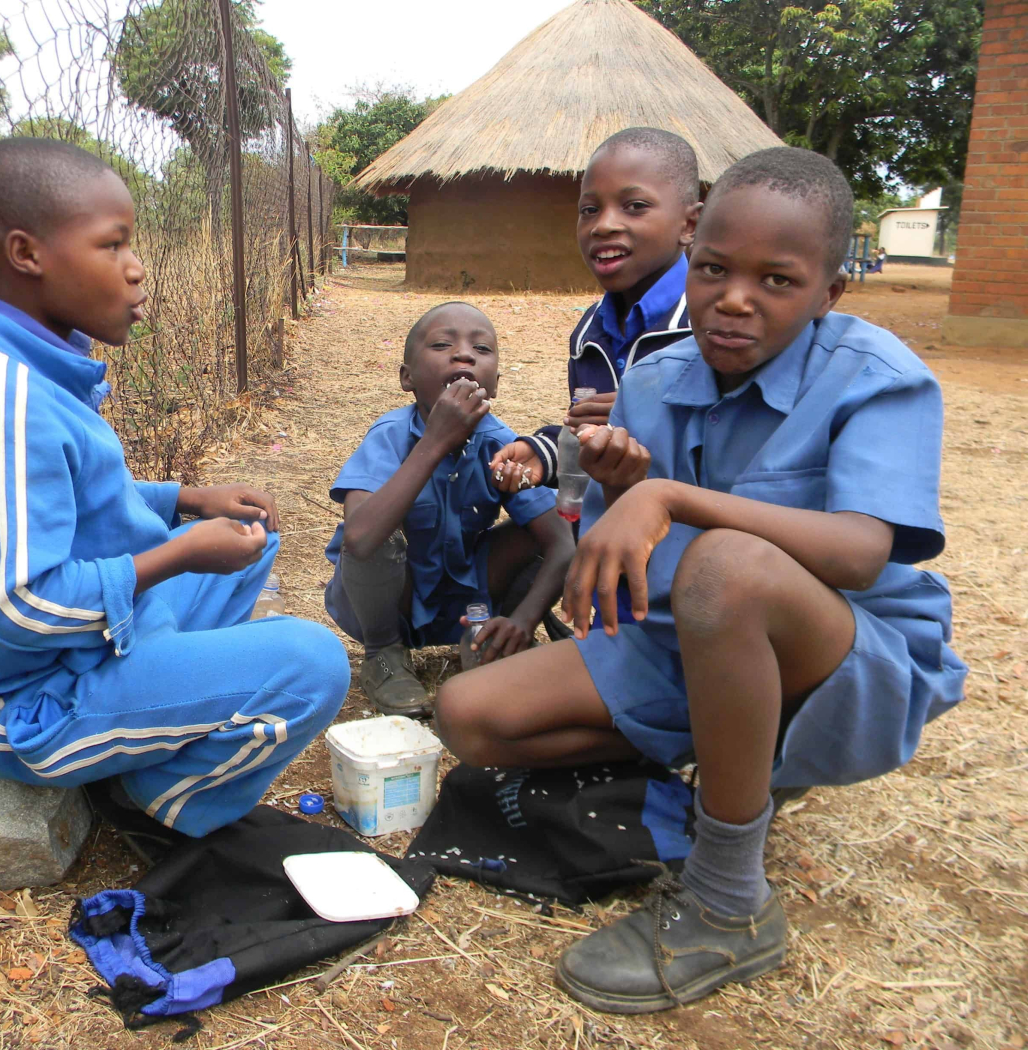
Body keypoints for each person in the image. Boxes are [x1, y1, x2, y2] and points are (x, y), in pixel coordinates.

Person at [432, 147, 966, 1012]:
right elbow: (626, 564)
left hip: (845, 660)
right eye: (714, 269)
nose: (735, 299)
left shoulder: (880, 380)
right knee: (470, 714)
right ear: (692, 254)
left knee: (725, 564)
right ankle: (729, 767)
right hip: (687, 637)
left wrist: (670, 496)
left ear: (831, 293)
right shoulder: (656, 377)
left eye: (778, 281)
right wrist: (615, 488)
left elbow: (864, 552)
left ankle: (729, 899)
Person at [0, 138, 349, 838]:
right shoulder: (1, 399)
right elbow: (19, 608)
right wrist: (177, 555)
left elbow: (82, 502)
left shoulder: (39, 368)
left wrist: (187, 502)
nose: (137, 269)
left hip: (97, 646)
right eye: (113, 245)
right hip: (35, 703)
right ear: (28, 254)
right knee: (313, 664)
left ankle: (160, 700)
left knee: (250, 539)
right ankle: (164, 793)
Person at [323, 302, 572, 716]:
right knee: (375, 535)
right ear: (407, 377)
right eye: (442, 344)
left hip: (467, 599)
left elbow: (563, 544)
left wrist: (524, 619)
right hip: (389, 601)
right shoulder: (390, 437)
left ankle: (493, 637)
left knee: (562, 525)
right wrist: (435, 441)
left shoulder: (502, 444)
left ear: (494, 384)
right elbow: (361, 537)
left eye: (482, 349)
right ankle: (384, 655)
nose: (464, 355)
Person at [490, 128, 703, 493]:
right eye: (589, 210)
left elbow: (735, 455)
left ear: (689, 225)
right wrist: (547, 453)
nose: (603, 225)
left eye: (635, 206)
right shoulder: (590, 332)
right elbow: (590, 440)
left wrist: (644, 419)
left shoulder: (709, 326)